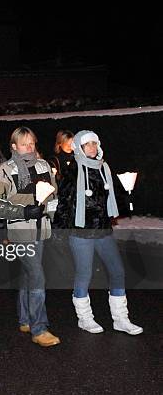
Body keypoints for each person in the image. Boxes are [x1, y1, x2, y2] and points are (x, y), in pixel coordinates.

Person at [54, 130, 142, 335]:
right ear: (79, 148)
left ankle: (121, 319)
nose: (92, 148)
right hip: (81, 231)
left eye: (95, 143)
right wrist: (59, 231)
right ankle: (85, 318)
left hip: (103, 229)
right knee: (84, 274)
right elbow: (64, 203)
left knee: (117, 271)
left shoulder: (104, 168)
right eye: (88, 145)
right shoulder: (73, 170)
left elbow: (109, 199)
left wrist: (126, 200)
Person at [0, 127, 61, 347]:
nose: (29, 148)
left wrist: (50, 216)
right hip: (20, 232)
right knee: (37, 275)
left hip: (41, 229)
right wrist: (23, 211)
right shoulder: (5, 170)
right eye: (23, 143)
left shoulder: (44, 165)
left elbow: (53, 195)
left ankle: (25, 319)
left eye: (32, 143)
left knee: (29, 275)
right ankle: (39, 328)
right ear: (13, 147)